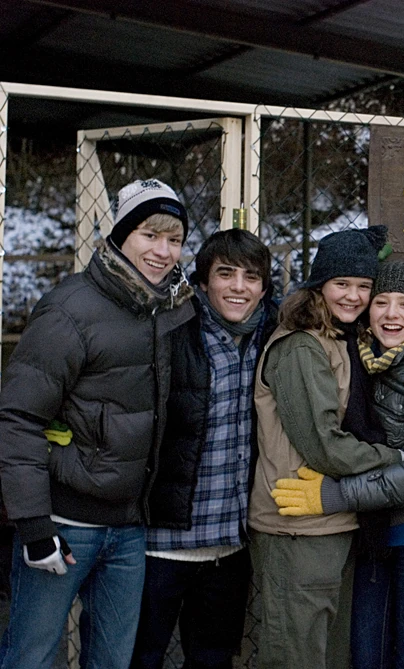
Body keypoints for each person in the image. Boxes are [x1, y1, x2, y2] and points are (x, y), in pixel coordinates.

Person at [0, 179, 195, 669]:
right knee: (30, 657)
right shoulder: (69, 310)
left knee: (112, 661)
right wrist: (34, 525)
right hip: (64, 523)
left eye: (174, 239)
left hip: (128, 529)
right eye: (150, 235)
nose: (163, 251)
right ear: (121, 235)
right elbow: (18, 418)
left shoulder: (169, 307)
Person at [249, 226, 404, 669]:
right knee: (296, 655)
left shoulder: (348, 341)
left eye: (364, 286)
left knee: (330, 654)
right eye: (341, 283)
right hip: (296, 523)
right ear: (318, 285)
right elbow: (324, 445)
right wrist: (396, 459)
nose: (354, 296)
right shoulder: (302, 346)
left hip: (334, 523)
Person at [130, 229, 278, 669]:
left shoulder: (273, 335)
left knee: (212, 660)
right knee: (140, 657)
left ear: (264, 288)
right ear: (203, 281)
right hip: (160, 544)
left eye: (251, 277)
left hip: (229, 547)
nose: (238, 287)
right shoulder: (169, 331)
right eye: (225, 274)